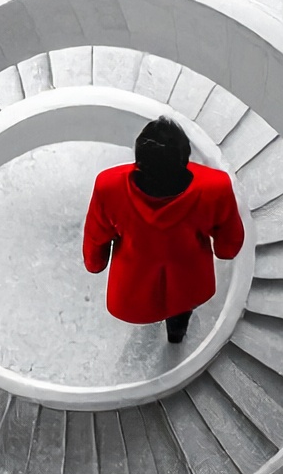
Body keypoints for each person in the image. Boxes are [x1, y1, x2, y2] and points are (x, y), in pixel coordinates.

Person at [82, 117, 244, 345]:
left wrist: (95, 263)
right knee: (181, 313)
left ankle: (153, 323)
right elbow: (229, 244)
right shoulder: (215, 187)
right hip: (189, 283)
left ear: (139, 161)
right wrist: (223, 249)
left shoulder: (109, 186)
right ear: (184, 159)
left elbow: (96, 237)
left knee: (144, 309)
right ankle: (175, 336)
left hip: (134, 287)